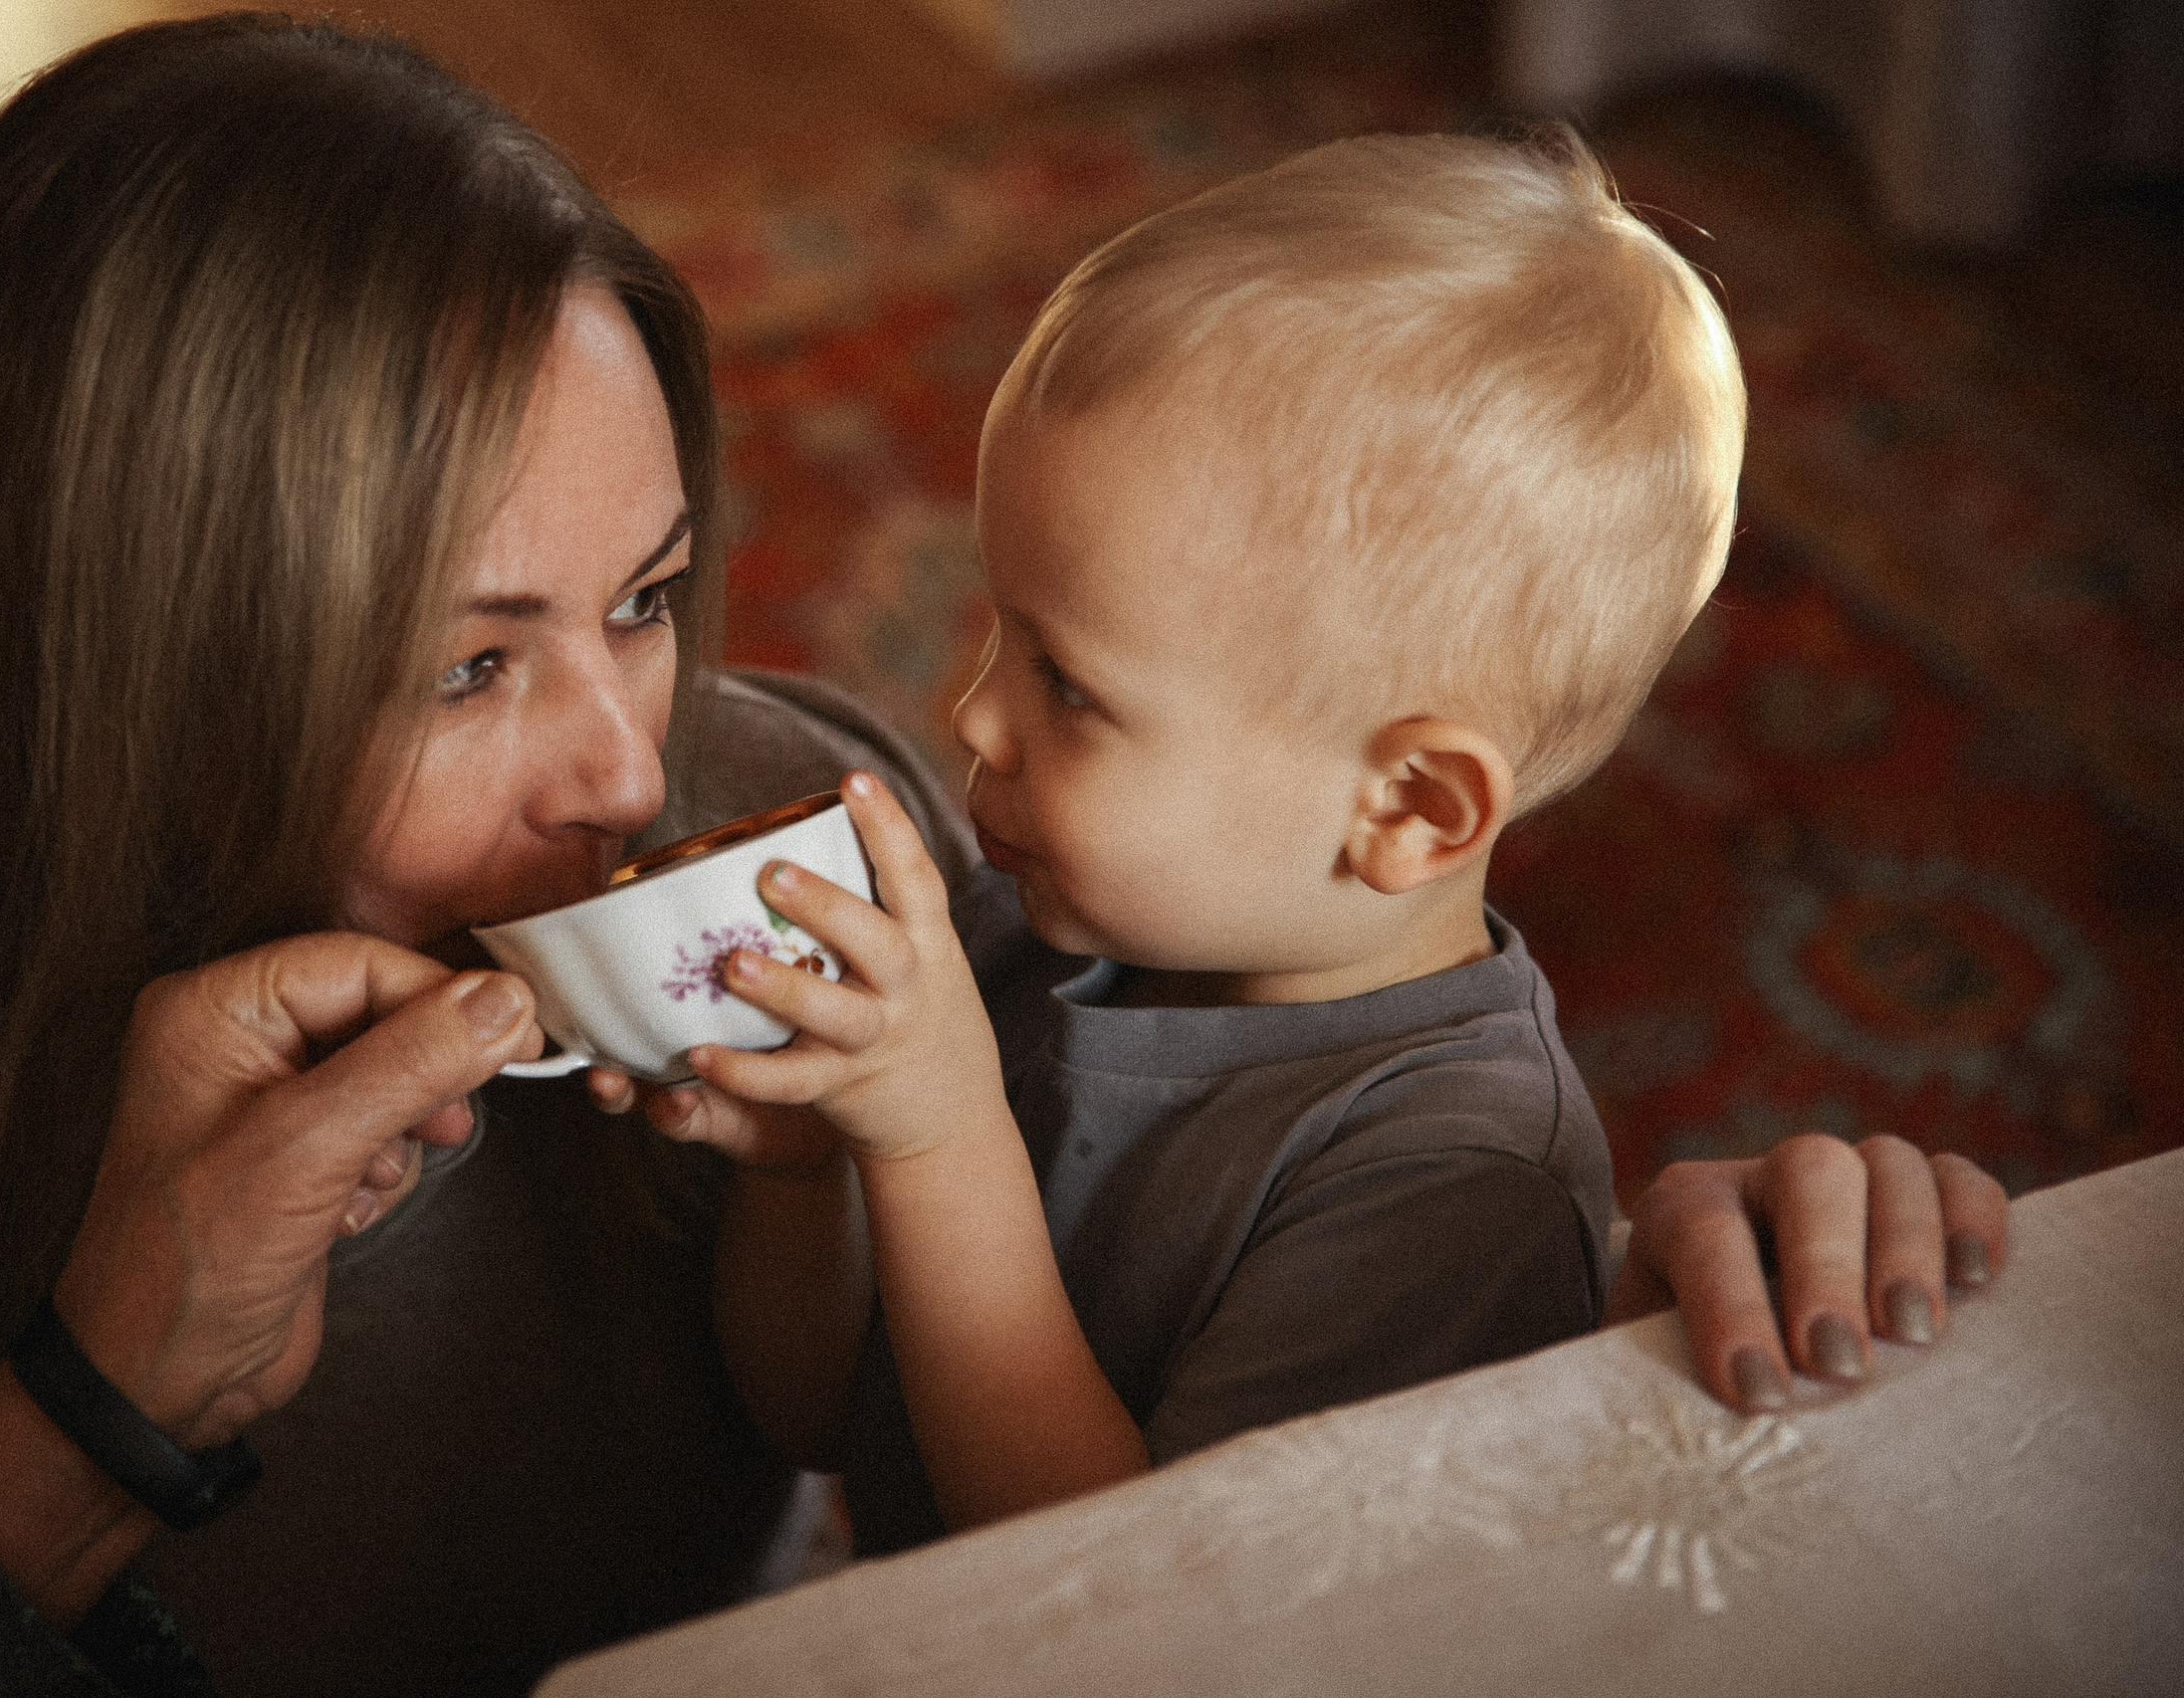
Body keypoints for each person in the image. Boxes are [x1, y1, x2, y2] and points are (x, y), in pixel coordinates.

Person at [0, 18, 2004, 1696]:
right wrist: (87, 1413)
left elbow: (1291, 1274)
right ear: (122, 659)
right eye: (467, 665)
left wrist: (1635, 1282)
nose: (620, 768)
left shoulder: (822, 820)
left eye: (646, 598)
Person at [630, 128, 2013, 1554]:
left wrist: (937, 1138)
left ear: (1409, 809)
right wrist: (808, 1168)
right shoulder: (1047, 927)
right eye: (1001, 629)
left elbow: (1136, 1613)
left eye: (1070, 685)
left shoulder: (1453, 1187)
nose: (972, 717)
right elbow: (812, 1417)